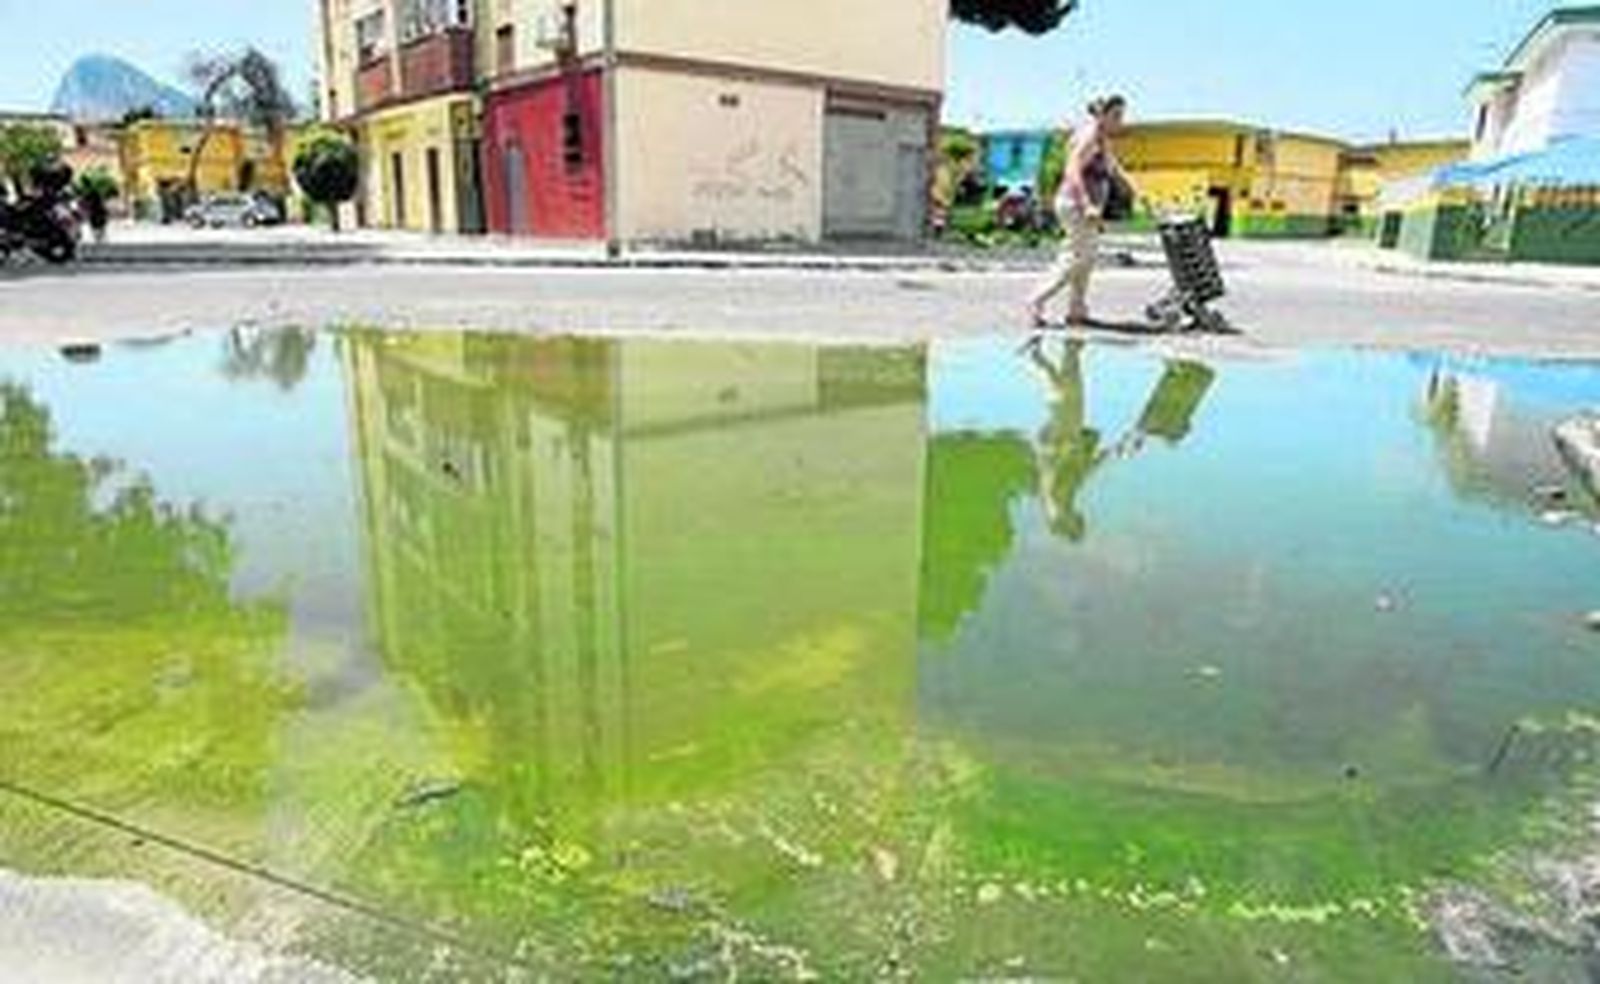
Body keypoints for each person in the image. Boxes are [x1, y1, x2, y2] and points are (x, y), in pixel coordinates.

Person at [1027, 95, 1132, 328]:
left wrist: (1132, 186)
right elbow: (1072, 170)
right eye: (1116, 115)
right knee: (1076, 257)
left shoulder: (1102, 139)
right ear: (1102, 115)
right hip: (1076, 206)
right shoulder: (1089, 137)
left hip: (1087, 209)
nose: (1120, 121)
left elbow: (1113, 168)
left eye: (1122, 116)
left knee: (1086, 258)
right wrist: (1086, 204)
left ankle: (1077, 310)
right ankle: (1036, 299)